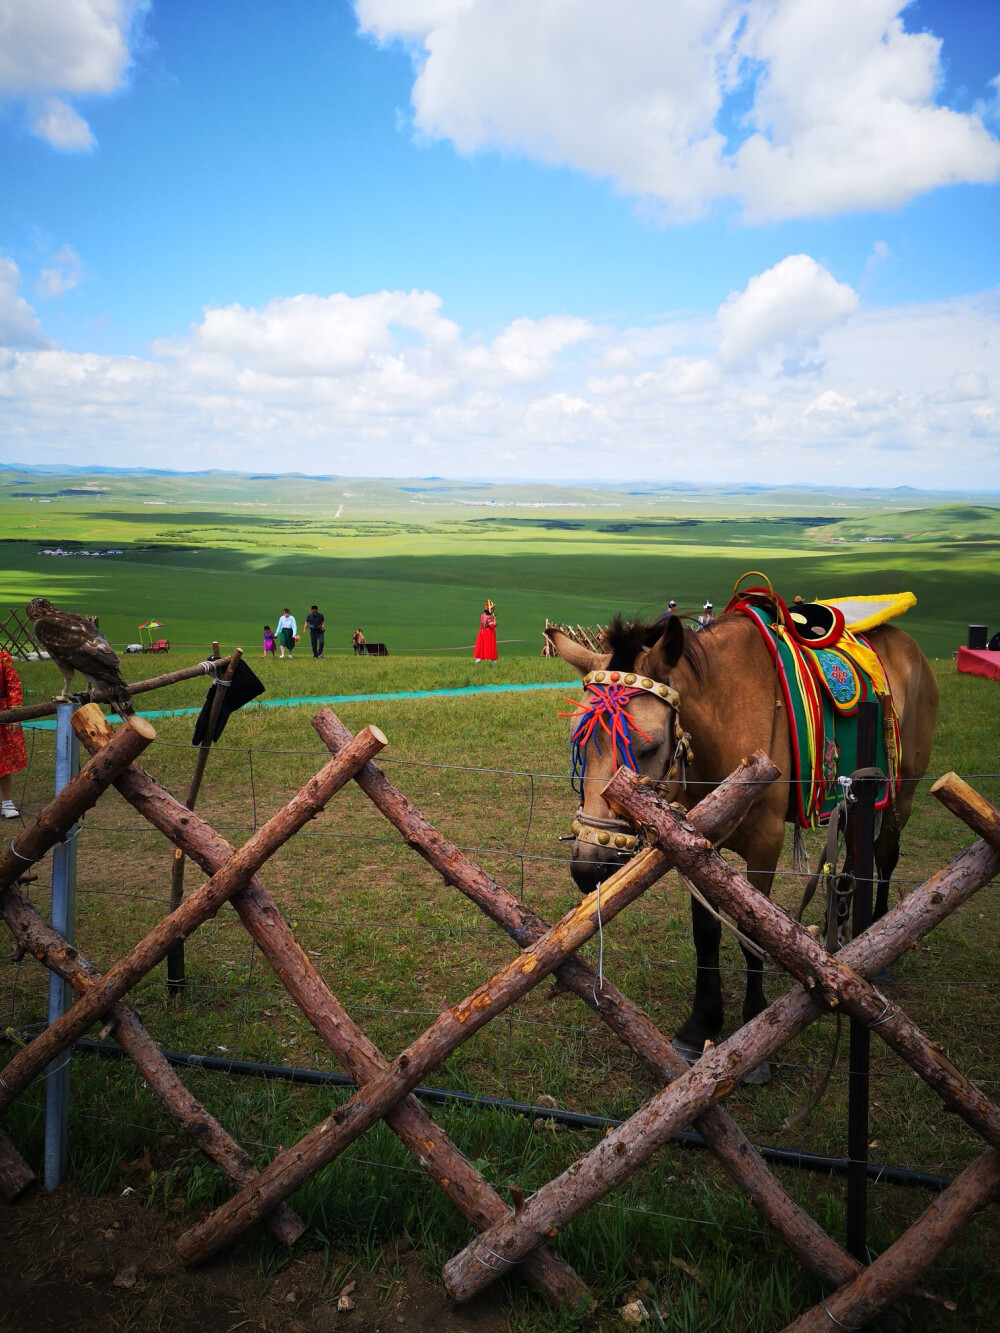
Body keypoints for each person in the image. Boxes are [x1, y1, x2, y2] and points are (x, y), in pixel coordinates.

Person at [0, 651, 27, 819]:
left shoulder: (3, 658)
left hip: (2, 712)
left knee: (4, 760)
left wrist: (14, 715)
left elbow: (13, 685)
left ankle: (6, 801)